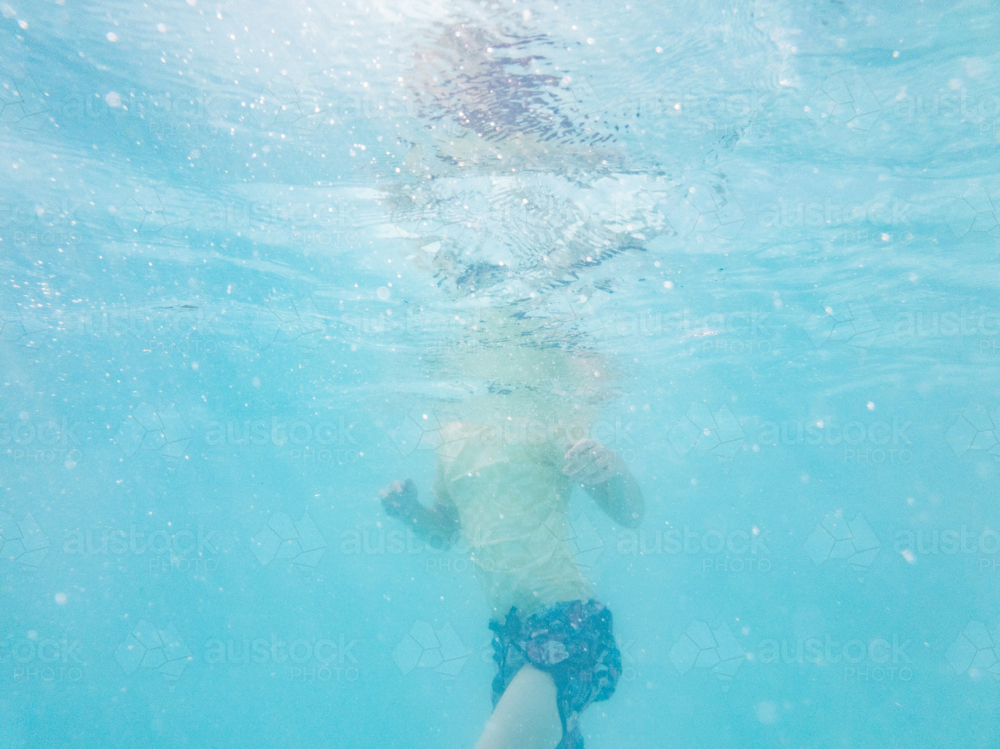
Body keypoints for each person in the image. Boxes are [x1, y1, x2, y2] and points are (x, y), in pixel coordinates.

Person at [380, 323, 643, 749]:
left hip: (569, 624)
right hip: (511, 639)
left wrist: (611, 465)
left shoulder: (545, 421)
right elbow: (446, 532)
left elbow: (630, 514)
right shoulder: (448, 441)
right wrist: (410, 513)